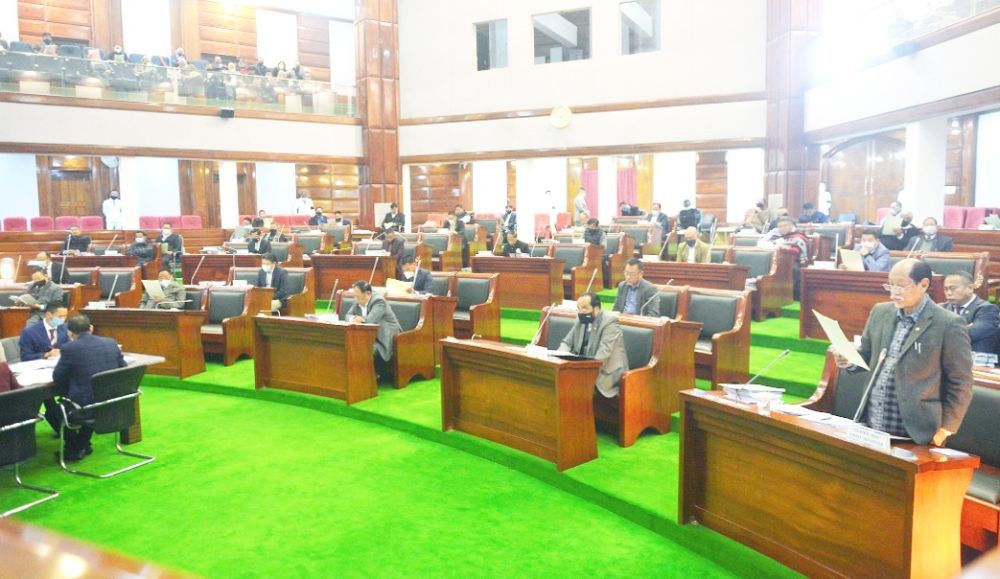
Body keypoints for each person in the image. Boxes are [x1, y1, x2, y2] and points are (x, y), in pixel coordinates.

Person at [833, 259, 973, 446]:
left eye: (901, 286)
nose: (894, 292)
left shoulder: (948, 323)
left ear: (923, 285)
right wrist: (848, 361)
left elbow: (961, 381)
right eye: (890, 285)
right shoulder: (880, 312)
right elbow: (866, 355)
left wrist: (945, 429)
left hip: (916, 433)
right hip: (872, 424)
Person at [49, 314, 128, 462]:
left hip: (86, 407)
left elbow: (58, 378)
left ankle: (75, 447)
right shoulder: (111, 343)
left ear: (69, 332)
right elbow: (123, 370)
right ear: (91, 328)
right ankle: (83, 444)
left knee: (52, 408)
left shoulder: (69, 348)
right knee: (91, 398)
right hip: (113, 403)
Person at [557, 292, 628, 398]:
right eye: (579, 308)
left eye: (584, 308)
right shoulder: (580, 319)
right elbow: (567, 342)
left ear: (596, 309)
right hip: (584, 368)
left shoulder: (610, 322)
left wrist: (582, 371)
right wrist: (558, 357)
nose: (581, 312)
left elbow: (603, 354)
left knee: (572, 385)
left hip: (606, 373)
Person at [347, 281, 402, 382]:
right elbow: (347, 316)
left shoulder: (379, 301)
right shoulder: (357, 301)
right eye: (355, 296)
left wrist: (359, 319)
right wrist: (354, 318)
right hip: (369, 336)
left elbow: (370, 321)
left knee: (364, 347)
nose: (356, 299)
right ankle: (356, 378)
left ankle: (368, 379)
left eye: (358, 297)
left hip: (385, 337)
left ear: (368, 293)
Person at [941, 271, 1000, 355]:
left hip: (975, 361)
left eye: (953, 288)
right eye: (945, 289)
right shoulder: (941, 308)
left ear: (970, 288)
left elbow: (969, 334)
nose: (948, 293)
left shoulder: (987, 309)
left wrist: (942, 331)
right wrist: (963, 328)